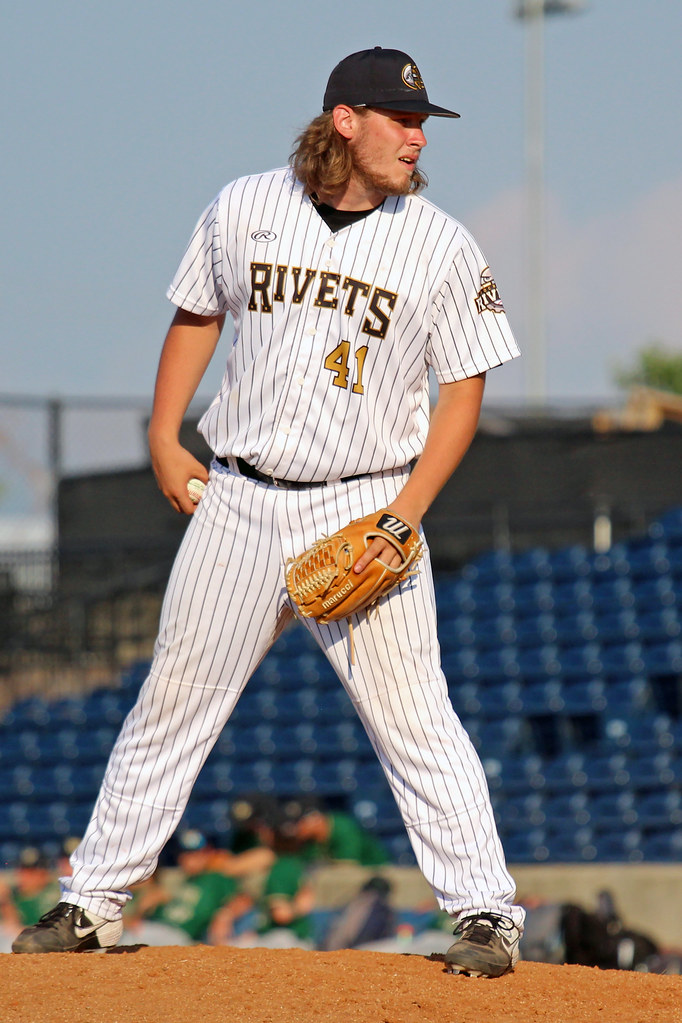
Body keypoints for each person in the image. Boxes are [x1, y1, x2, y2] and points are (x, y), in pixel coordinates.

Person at [13, 45, 525, 976]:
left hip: (367, 498)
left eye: (420, 123)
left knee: (415, 717)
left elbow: (464, 388)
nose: (417, 137)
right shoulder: (246, 204)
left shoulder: (440, 242)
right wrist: (165, 433)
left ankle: (486, 911)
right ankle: (92, 903)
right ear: (344, 121)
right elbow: (198, 313)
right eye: (400, 119)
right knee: (171, 704)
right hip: (240, 496)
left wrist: (406, 513)